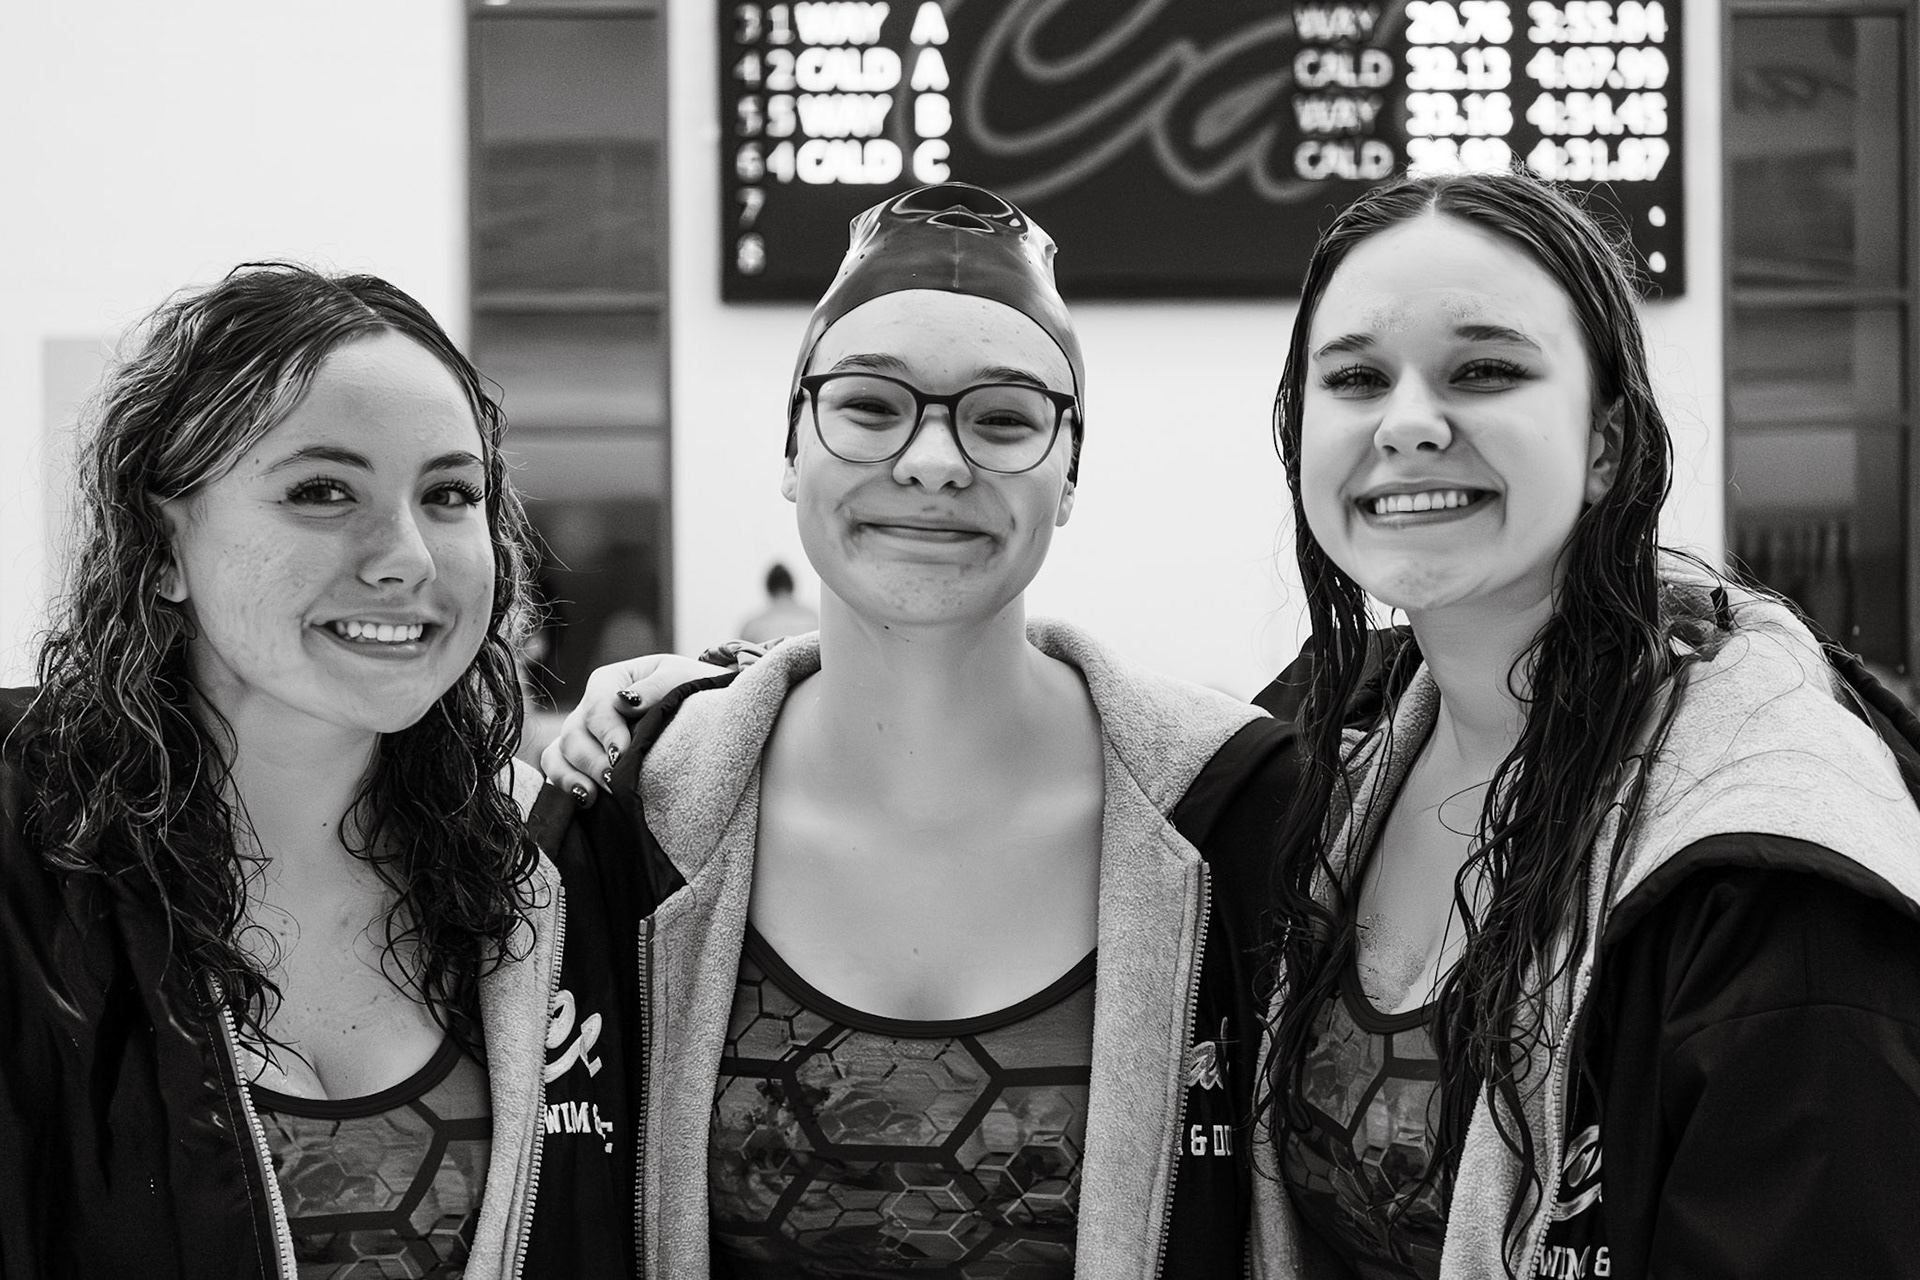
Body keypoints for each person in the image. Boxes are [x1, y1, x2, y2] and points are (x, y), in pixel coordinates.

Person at [528, 182, 1296, 1277]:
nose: (935, 459)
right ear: (792, 448)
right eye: (872, 404)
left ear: (1070, 472)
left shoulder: (1238, 813)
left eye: (1002, 418)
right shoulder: (628, 811)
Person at [1251, 171, 1920, 1278]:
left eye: (1487, 370)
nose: (1409, 423)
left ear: (1606, 445)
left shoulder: (1774, 895)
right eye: (1357, 377)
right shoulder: (1324, 741)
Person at [0, 264, 633, 1278]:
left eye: (450, 494)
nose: (406, 556)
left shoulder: (544, 874)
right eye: (322, 490)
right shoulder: (27, 853)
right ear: (159, 543)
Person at [737, 562, 818, 643]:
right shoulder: (813, 619)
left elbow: (738, 653)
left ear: (769, 589)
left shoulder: (752, 626)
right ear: (792, 587)